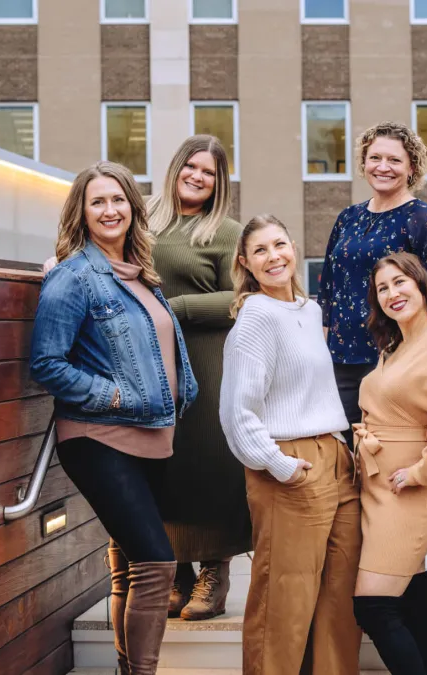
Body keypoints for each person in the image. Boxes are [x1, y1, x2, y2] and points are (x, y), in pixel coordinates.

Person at [30, 161, 199, 675]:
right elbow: (47, 363)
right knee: (156, 562)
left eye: (119, 200)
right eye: (97, 201)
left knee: (128, 568)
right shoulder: (73, 276)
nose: (110, 210)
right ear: (81, 212)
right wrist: (116, 395)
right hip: (99, 436)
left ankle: (129, 667)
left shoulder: (140, 273)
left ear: (133, 208)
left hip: (153, 437)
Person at [220, 214, 362, 675]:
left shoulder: (310, 309)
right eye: (260, 251)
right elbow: (237, 412)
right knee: (285, 595)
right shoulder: (256, 317)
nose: (273, 256)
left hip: (336, 458)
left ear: (294, 247)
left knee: (340, 595)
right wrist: (277, 464)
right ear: (246, 263)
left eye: (278, 244)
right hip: (290, 462)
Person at [319, 121, 427, 449]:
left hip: (390, 363)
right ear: (363, 163)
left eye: (394, 160)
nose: (383, 167)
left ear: (411, 168)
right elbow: (329, 288)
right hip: (340, 363)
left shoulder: (420, 217)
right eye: (375, 158)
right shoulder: (347, 218)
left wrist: (417, 342)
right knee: (347, 462)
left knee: (386, 459)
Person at [351, 252, 427, 675]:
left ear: (422, 286)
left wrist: (424, 470)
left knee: (373, 605)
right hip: (379, 487)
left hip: (412, 490)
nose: (392, 293)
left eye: (400, 282)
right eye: (382, 288)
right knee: (410, 595)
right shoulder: (396, 346)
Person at [148, 135, 248, 621]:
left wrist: (178, 309)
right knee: (163, 461)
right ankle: (178, 571)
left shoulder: (227, 232)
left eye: (208, 172)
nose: (196, 176)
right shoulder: (143, 219)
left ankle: (215, 569)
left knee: (208, 461)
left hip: (206, 356)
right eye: (190, 166)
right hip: (147, 359)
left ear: (218, 182)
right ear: (175, 167)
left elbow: (243, 297)